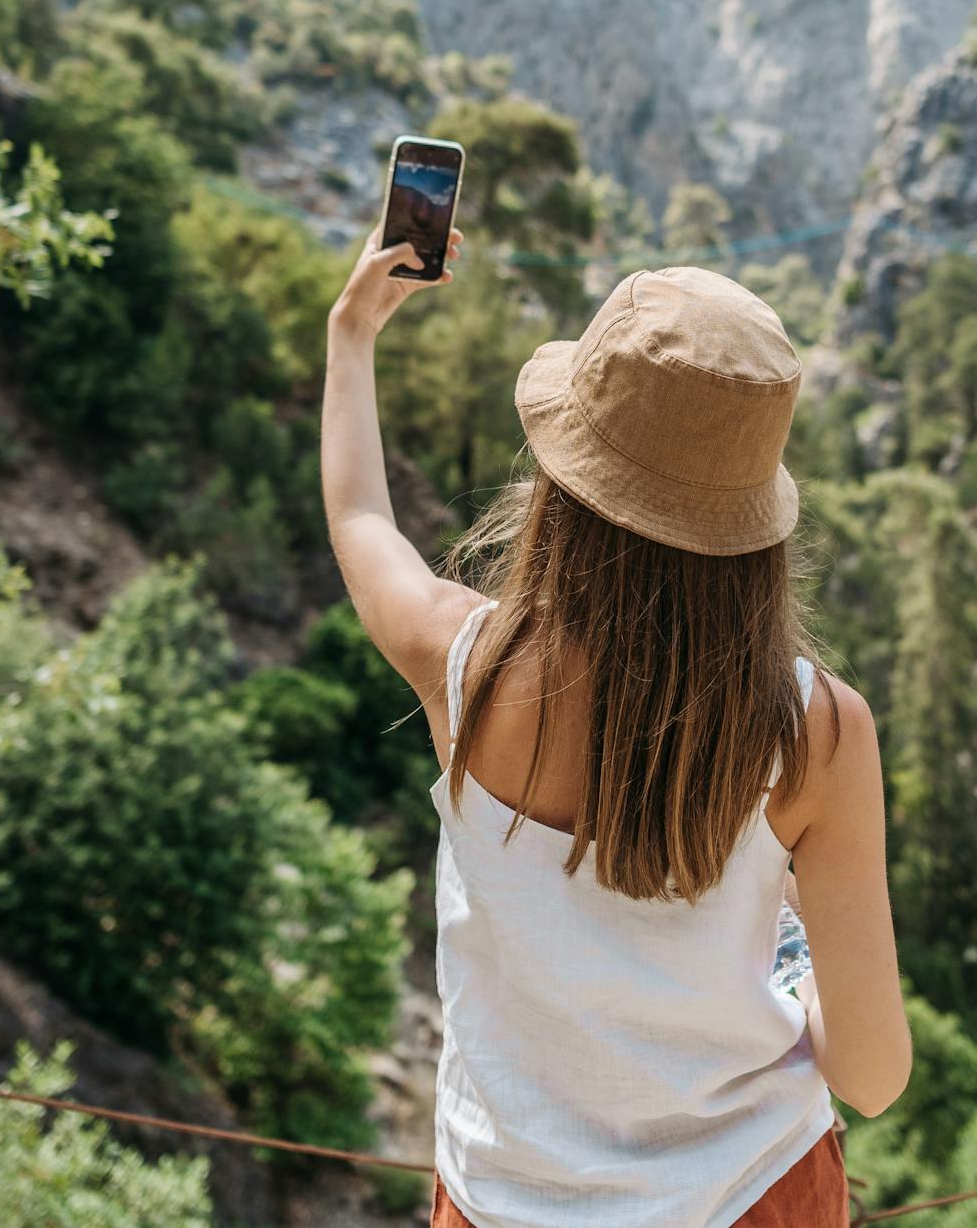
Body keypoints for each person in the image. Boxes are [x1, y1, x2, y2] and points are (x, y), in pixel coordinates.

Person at [323, 229, 910, 1228]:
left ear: (565, 478)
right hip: (750, 1196)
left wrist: (350, 337)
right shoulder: (816, 732)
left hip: (499, 1203)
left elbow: (361, 522)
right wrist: (795, 956)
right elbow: (872, 1073)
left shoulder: (463, 660)